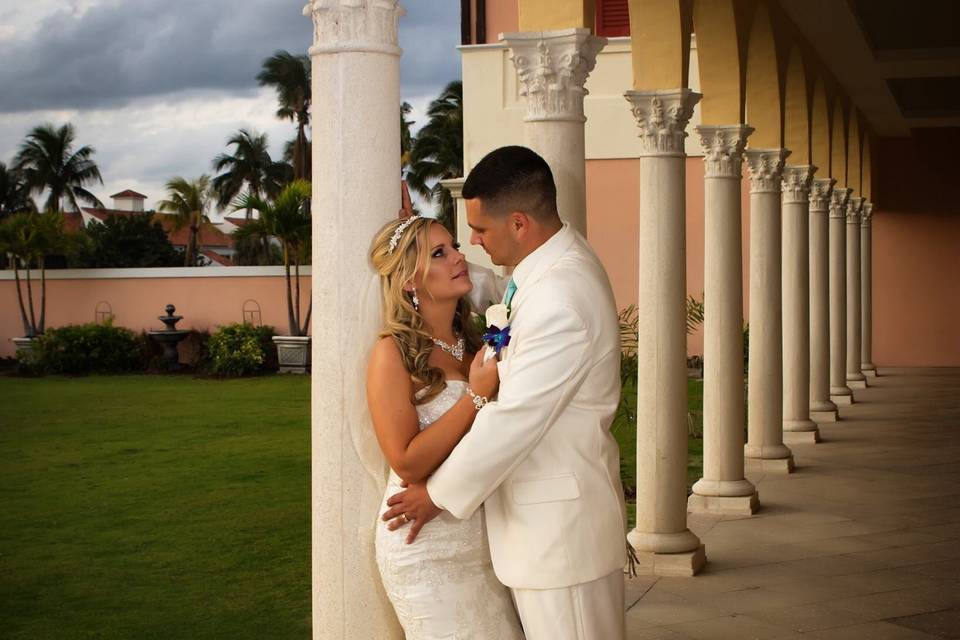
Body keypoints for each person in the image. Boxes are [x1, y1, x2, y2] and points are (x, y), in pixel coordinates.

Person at [381, 145, 628, 639]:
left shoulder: (559, 298)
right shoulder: (548, 269)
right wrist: (412, 254)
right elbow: (501, 294)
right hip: (546, 533)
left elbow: (514, 420)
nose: (471, 243)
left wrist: (437, 494)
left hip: (559, 539)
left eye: (479, 231)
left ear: (519, 224)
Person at [367, 214, 525, 639]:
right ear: (409, 282)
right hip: (424, 547)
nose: (459, 257)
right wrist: (475, 397)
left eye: (454, 246)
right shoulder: (392, 353)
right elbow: (406, 461)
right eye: (440, 253)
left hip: (485, 541)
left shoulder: (478, 342)